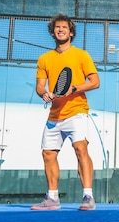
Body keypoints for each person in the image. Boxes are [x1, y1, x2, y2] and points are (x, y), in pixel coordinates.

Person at [31, 14, 100, 211]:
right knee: (48, 155)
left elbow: (95, 82)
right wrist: (44, 94)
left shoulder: (81, 55)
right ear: (53, 32)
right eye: (57, 27)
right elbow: (40, 87)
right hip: (54, 115)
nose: (60, 30)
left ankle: (88, 196)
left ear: (71, 32)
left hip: (77, 111)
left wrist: (74, 89)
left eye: (64, 27)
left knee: (81, 149)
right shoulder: (45, 59)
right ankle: (52, 199)